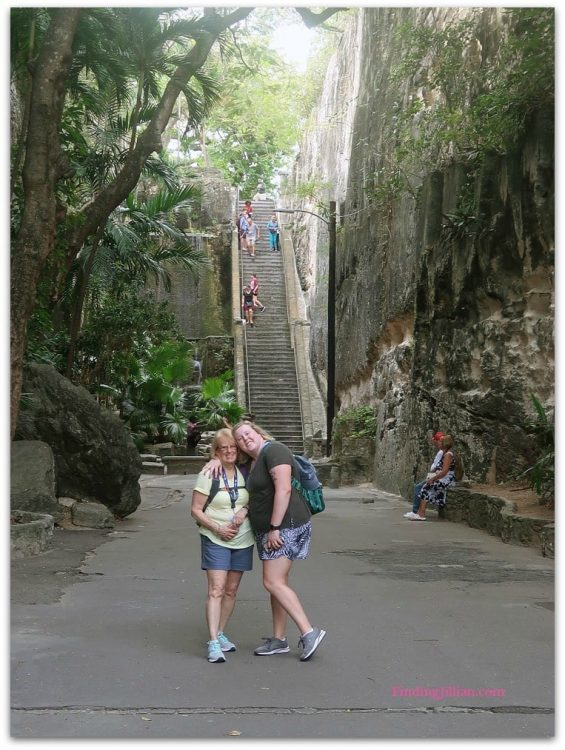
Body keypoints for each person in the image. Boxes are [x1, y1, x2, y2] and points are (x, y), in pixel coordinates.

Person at [204, 421, 326, 661]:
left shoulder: (275, 450)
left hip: (285, 526)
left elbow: (284, 490)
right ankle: (279, 639)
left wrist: (274, 527)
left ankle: (309, 632)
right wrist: (215, 459)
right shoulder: (254, 460)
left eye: (247, 434)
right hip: (273, 529)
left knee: (272, 582)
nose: (244, 440)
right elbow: (253, 484)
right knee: (278, 583)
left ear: (257, 433)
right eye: (239, 438)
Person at [191, 429, 255, 663]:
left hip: (243, 538)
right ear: (216, 451)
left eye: (233, 447)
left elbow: (257, 496)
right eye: (223, 448)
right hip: (215, 537)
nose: (229, 451)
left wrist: (245, 510)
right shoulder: (210, 472)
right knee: (216, 589)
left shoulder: (247, 471)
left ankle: (220, 632)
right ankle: (213, 642)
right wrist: (217, 528)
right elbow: (196, 510)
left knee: (231, 590)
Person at [410, 435, 456, 521]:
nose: (439, 443)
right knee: (425, 486)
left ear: (444, 444)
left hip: (446, 479)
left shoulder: (448, 455)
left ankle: (421, 513)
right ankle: (420, 512)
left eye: (441, 442)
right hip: (442, 477)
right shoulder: (445, 454)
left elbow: (444, 471)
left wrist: (433, 479)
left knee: (426, 488)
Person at [403, 431, 445, 519]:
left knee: (419, 487)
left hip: (435, 474)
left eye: (436, 441)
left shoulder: (442, 452)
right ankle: (415, 511)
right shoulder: (441, 452)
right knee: (419, 487)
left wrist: (432, 475)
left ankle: (416, 511)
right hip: (434, 473)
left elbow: (439, 466)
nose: (434, 443)